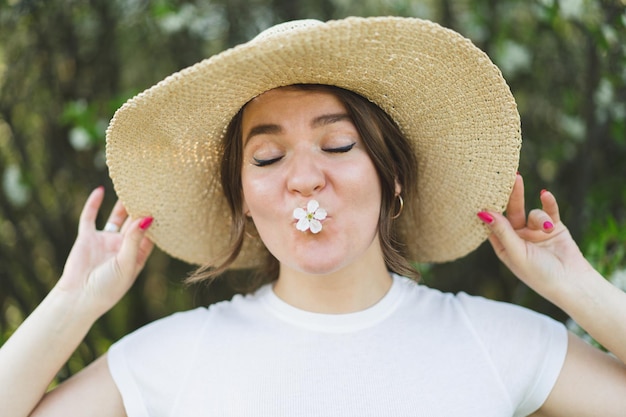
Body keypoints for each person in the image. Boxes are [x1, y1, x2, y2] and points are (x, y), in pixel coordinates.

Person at [1, 16, 625, 417]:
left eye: (337, 145)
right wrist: (72, 303)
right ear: (242, 197)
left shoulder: (495, 342)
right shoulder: (175, 356)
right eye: (268, 157)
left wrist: (573, 286)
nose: (304, 178)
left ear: (393, 174)